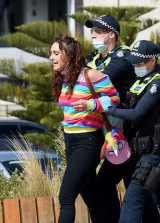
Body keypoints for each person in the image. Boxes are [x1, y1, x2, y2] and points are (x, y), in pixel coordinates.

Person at [99, 40, 160, 223]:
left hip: (156, 152)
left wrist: (110, 110)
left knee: (132, 200)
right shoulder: (140, 82)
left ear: (152, 61)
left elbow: (137, 114)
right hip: (143, 150)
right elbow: (129, 106)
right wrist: (109, 104)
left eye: (139, 63)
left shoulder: (159, 85)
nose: (135, 66)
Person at [84, 15, 160, 223]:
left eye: (98, 31)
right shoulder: (93, 59)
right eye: (92, 31)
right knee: (134, 188)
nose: (93, 35)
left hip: (127, 133)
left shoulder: (123, 57)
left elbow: (100, 80)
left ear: (111, 35)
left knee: (106, 186)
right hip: (108, 132)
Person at [49, 35, 120, 223]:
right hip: (70, 141)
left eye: (56, 53)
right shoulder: (63, 79)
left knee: (66, 196)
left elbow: (115, 99)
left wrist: (91, 105)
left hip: (88, 141)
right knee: (91, 196)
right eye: (51, 53)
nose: (51, 57)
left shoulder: (91, 75)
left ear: (69, 55)